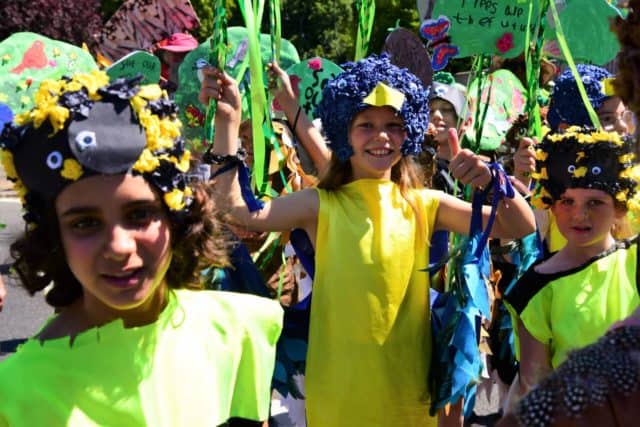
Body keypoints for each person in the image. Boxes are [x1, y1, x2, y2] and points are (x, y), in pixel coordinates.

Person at [200, 54, 536, 426]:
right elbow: (236, 212)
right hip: (339, 396)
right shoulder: (319, 204)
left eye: (394, 125)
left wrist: (492, 180)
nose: (382, 136)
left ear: (408, 131)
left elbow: (520, 226)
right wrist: (227, 122)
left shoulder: (425, 204)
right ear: (345, 131)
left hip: (410, 397)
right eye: (366, 125)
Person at [0, 71, 282, 426]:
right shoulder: (18, 395)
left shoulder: (238, 329)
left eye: (140, 214)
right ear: (55, 236)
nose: (119, 246)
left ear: (177, 215)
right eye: (84, 223)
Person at [504, 126, 640, 398]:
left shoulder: (634, 262)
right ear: (551, 205)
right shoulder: (535, 289)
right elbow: (536, 387)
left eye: (595, 203)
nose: (579, 214)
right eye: (567, 201)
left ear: (620, 207)